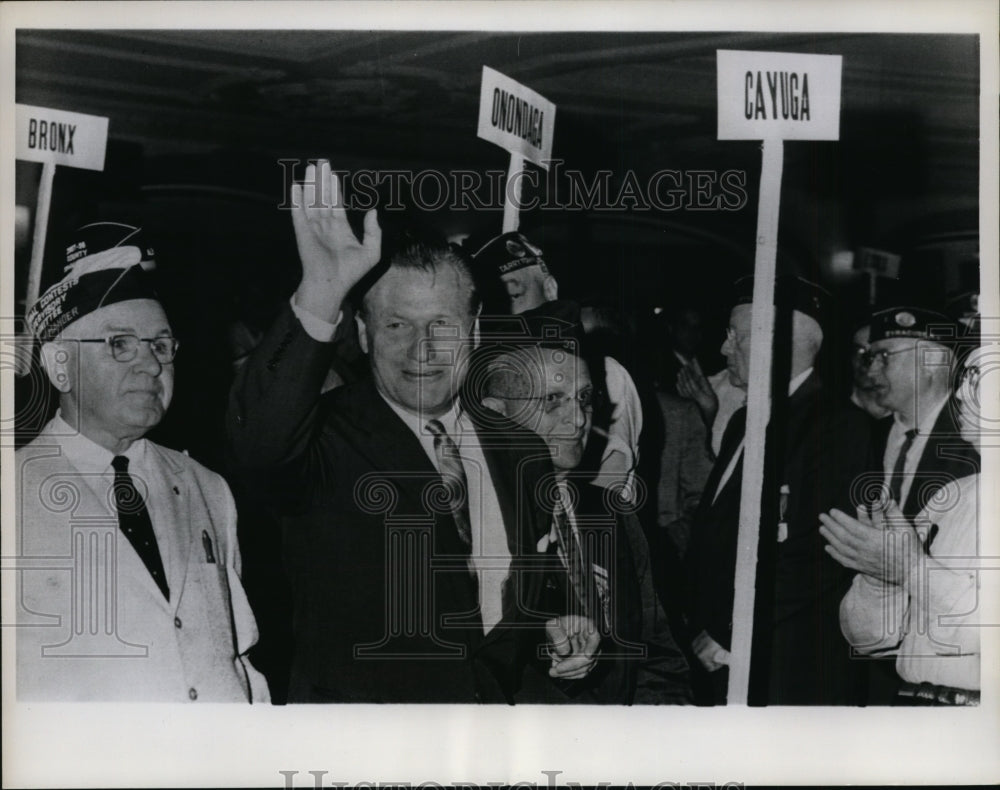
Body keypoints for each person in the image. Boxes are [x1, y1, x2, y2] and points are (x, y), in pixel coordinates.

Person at [226, 162, 598, 703]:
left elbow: (499, 601)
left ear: (474, 331)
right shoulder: (322, 437)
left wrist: (548, 630)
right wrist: (320, 291)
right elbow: (257, 442)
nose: (421, 349)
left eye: (441, 325)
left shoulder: (520, 449)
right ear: (363, 333)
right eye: (397, 324)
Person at [16, 222, 268, 702]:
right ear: (60, 366)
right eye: (120, 344)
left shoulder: (207, 487)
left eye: (160, 345)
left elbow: (238, 657)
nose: (152, 365)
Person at [474, 318, 691, 703]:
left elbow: (655, 656)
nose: (578, 419)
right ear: (495, 414)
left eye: (585, 398)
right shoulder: (475, 524)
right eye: (552, 399)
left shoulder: (612, 513)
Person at [686, 275, 872, 705]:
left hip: (782, 663)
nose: (724, 348)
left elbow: (817, 556)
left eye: (737, 336)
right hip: (718, 652)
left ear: (780, 342)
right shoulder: (743, 422)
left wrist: (729, 633)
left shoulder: (836, 426)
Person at [820, 341, 986, 705]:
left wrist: (911, 570)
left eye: (977, 379)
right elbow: (871, 640)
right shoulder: (949, 497)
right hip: (913, 702)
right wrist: (880, 579)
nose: (959, 393)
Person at [471, 231, 643, 499]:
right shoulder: (478, 375)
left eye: (514, 295)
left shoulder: (604, 374)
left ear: (550, 289)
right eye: (492, 306)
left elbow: (605, 489)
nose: (505, 316)